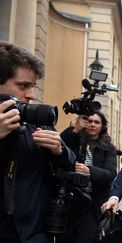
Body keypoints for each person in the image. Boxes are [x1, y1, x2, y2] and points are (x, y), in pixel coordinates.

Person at [0, 41, 75, 243]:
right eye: (23, 86)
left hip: (35, 234)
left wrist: (60, 151)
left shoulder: (36, 120)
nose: (31, 95)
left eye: (33, 86)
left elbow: (70, 162)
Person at [59, 111, 117, 243]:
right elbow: (60, 146)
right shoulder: (74, 139)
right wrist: (75, 128)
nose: (92, 125)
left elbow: (110, 174)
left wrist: (89, 170)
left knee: (87, 236)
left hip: (94, 201)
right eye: (89, 121)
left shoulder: (108, 147)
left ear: (102, 126)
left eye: (97, 122)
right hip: (71, 199)